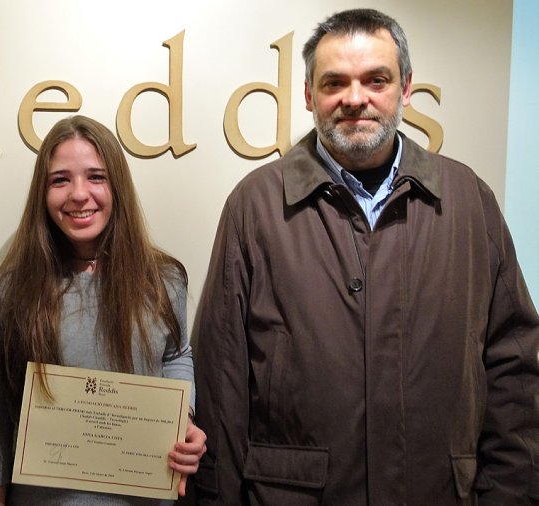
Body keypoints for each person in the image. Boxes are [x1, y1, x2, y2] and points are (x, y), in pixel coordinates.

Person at [193, 8, 539, 505]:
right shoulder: (255, 206)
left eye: (376, 79)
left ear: (405, 88)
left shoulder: (468, 201)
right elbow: (222, 379)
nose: (355, 99)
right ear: (309, 94)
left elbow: (514, 368)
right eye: (335, 83)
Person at [0, 115, 207, 505]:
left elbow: (176, 354)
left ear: (117, 187)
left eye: (96, 177)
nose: (79, 194)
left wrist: (185, 417)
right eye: (60, 180)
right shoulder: (13, 289)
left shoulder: (164, 279)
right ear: (42, 193)